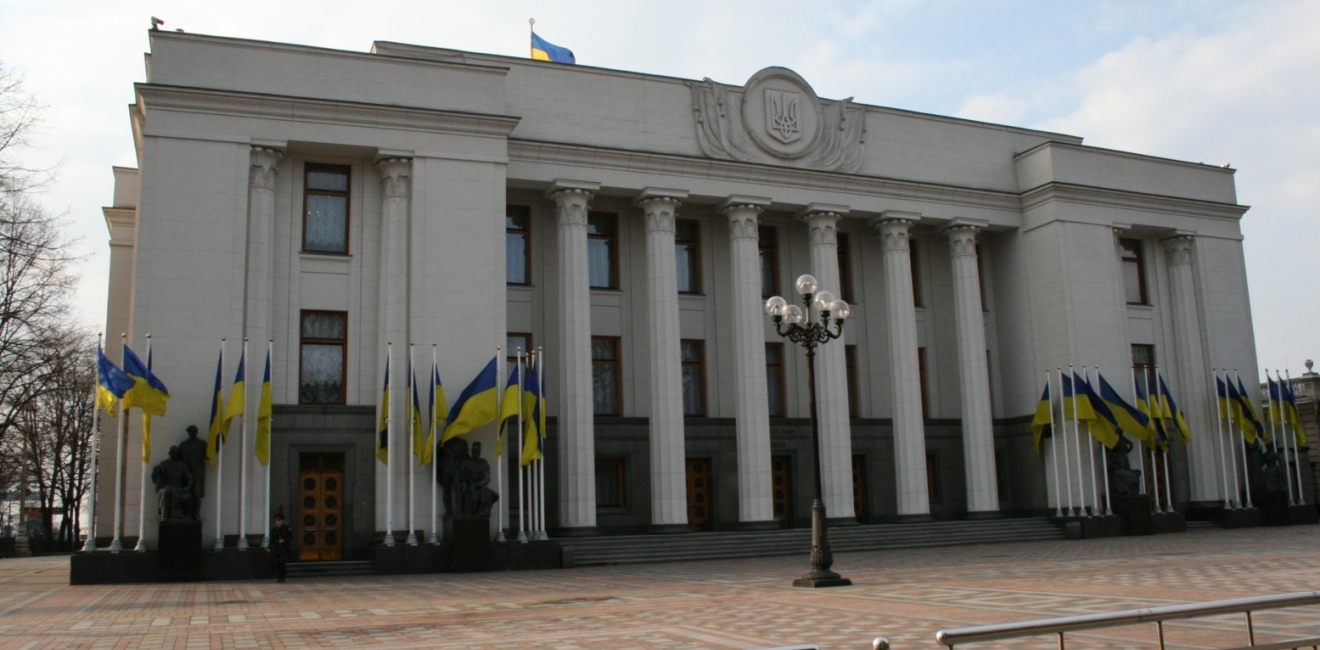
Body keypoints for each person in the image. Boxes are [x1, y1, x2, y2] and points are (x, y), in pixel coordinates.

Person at [269, 514, 293, 582]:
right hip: (277, 549)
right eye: (277, 521)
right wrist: (269, 547)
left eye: (279, 520)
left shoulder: (286, 528)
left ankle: (282, 577)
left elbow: (290, 537)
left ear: (282, 521)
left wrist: (284, 540)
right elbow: (272, 539)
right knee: (278, 563)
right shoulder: (274, 529)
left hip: (284, 548)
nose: (278, 522)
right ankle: (279, 577)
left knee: (282, 562)